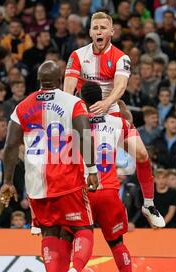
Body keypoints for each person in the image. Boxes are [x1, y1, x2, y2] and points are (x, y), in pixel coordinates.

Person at [0, 61, 99, 272]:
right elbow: (85, 134)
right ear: (60, 79)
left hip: (36, 185)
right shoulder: (72, 102)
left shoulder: (22, 107)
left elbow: (11, 145)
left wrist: (8, 181)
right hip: (68, 180)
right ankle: (75, 270)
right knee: (83, 228)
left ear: (38, 79)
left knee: (50, 234)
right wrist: (92, 168)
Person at [63, 11, 162, 228]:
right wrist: (74, 113)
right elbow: (68, 88)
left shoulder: (121, 58)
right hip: (85, 115)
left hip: (112, 113)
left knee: (143, 155)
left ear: (111, 32)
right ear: (90, 31)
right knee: (64, 160)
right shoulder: (77, 56)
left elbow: (120, 86)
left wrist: (106, 104)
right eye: (95, 28)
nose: (99, 31)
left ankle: (148, 204)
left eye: (103, 28)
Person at [81, 81, 154, 272]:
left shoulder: (76, 122)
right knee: (117, 244)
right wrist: (122, 110)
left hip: (84, 191)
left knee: (74, 237)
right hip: (110, 190)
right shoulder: (115, 122)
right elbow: (129, 127)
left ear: (81, 99)